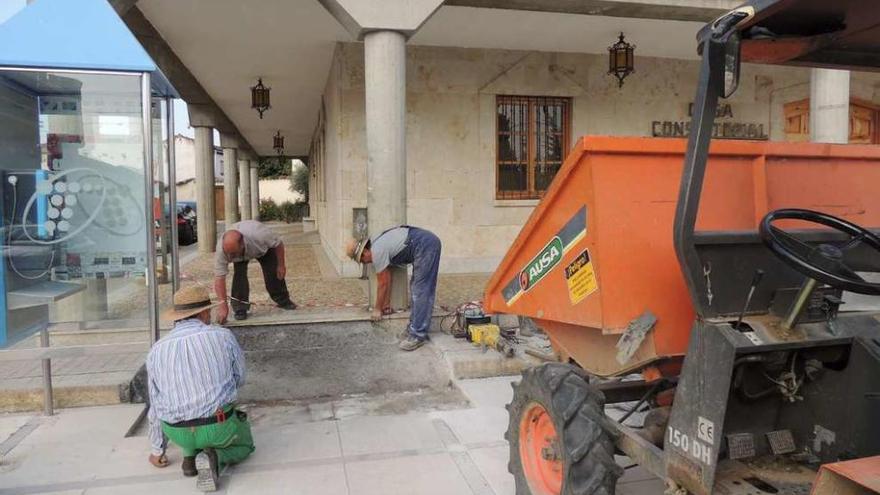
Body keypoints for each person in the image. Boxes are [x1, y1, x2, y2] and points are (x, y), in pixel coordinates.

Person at [147, 285, 254, 492]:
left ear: (178, 316)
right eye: (209, 312)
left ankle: (189, 456)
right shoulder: (222, 336)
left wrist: (156, 449)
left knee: (183, 412)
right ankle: (215, 457)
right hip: (217, 426)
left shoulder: (156, 349)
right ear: (204, 313)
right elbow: (240, 379)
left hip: (176, 431)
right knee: (245, 445)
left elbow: (155, 403)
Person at [346, 226, 441, 351]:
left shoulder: (377, 251)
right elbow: (387, 278)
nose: (366, 263)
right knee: (416, 288)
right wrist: (385, 304)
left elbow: (383, 283)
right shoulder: (377, 243)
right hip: (423, 243)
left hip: (426, 245)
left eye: (363, 260)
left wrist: (377, 309)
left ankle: (418, 335)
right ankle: (414, 327)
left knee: (421, 290)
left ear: (364, 252)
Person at [214, 220, 297, 323]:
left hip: (263, 250)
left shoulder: (260, 234)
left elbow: (278, 244)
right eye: (229, 254)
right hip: (241, 254)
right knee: (239, 276)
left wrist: (281, 265)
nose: (230, 257)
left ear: (242, 244)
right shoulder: (222, 250)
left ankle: (283, 300)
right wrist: (223, 306)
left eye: (233, 254)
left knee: (273, 273)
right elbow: (219, 278)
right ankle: (240, 308)